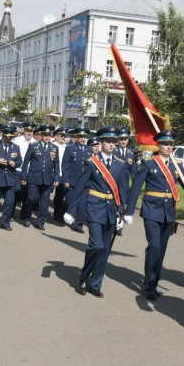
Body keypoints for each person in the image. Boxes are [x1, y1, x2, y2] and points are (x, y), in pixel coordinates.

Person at [125, 130, 184, 301]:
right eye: (165, 144)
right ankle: (148, 285)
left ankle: (154, 282)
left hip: (169, 212)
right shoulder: (150, 164)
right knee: (154, 247)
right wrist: (128, 212)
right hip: (151, 210)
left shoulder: (177, 165)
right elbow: (136, 187)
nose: (169, 147)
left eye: (171, 144)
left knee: (162, 249)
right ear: (158, 145)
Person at [64, 126, 129, 298]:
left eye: (114, 141)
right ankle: (84, 277)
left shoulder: (120, 165)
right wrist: (70, 210)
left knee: (105, 249)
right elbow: (80, 186)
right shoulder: (92, 162)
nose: (112, 144)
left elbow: (122, 190)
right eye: (108, 141)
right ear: (100, 142)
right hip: (94, 207)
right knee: (96, 245)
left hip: (111, 210)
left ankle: (95, 283)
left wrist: (122, 213)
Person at [20, 124, 60, 230]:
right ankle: (27, 217)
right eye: (45, 135)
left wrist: (56, 178)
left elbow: (57, 164)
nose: (47, 137)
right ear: (41, 135)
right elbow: (26, 162)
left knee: (44, 201)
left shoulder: (54, 148)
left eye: (49, 135)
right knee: (31, 199)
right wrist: (23, 177)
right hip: (34, 177)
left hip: (47, 179)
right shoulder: (33, 146)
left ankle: (40, 222)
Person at [61, 128, 92, 233]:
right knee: (70, 201)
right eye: (80, 137)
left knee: (82, 204)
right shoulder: (70, 148)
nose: (82, 139)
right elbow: (64, 165)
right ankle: (64, 215)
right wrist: (65, 179)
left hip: (85, 182)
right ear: (77, 137)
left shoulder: (89, 150)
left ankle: (78, 225)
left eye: (84, 137)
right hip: (72, 180)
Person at [51, 126, 69, 226]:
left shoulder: (66, 147)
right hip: (51, 173)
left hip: (62, 174)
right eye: (61, 135)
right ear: (56, 136)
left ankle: (58, 215)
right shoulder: (51, 145)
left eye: (64, 135)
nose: (63, 137)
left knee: (60, 196)